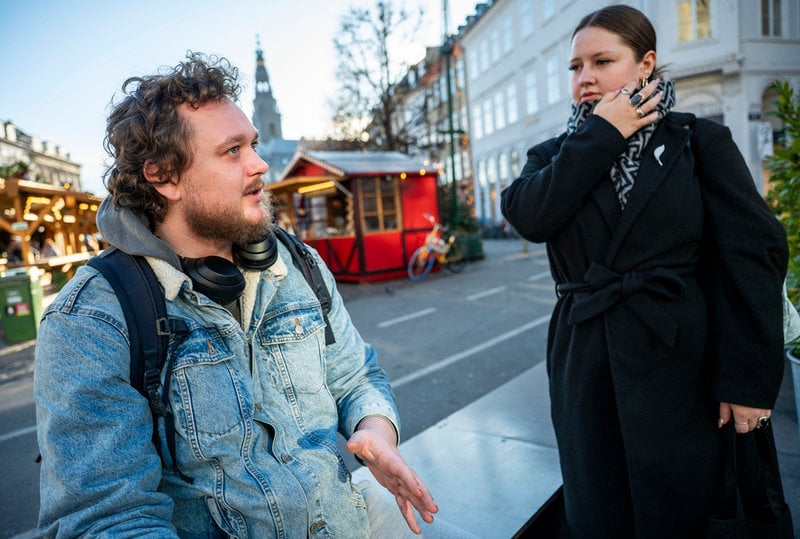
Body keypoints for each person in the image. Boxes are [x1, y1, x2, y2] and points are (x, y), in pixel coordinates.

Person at [34, 52, 474, 538]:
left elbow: (356, 375)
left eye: (254, 145)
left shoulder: (298, 263)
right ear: (163, 175)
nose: (260, 165)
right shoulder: (91, 320)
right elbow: (107, 518)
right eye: (232, 151)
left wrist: (375, 430)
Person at [501, 5, 789, 537]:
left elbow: (754, 254)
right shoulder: (553, 156)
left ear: (646, 64)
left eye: (602, 61)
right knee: (599, 511)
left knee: (688, 512)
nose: (585, 77)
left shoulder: (697, 141)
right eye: (575, 67)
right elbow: (529, 216)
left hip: (686, 364)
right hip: (586, 367)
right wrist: (601, 135)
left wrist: (748, 379)